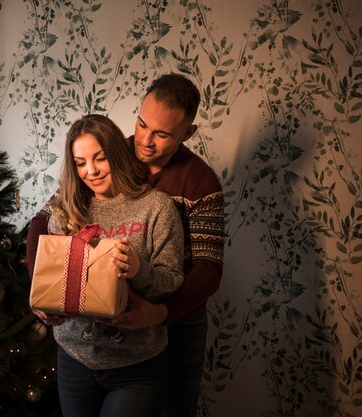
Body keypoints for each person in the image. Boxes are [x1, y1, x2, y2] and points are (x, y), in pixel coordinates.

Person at [27, 74, 225, 417]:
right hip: (86, 346)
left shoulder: (199, 181)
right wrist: (40, 287)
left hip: (176, 318)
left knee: (175, 406)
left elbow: (207, 270)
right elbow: (45, 221)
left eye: (162, 134)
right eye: (142, 124)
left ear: (187, 134)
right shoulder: (108, 154)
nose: (145, 141)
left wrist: (159, 313)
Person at [31, 114, 185, 417]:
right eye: (80, 162)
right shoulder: (65, 211)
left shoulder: (156, 207)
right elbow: (52, 280)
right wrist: (44, 306)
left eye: (99, 158)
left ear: (115, 153)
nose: (91, 171)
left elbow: (172, 282)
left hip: (137, 366)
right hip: (74, 358)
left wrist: (139, 268)